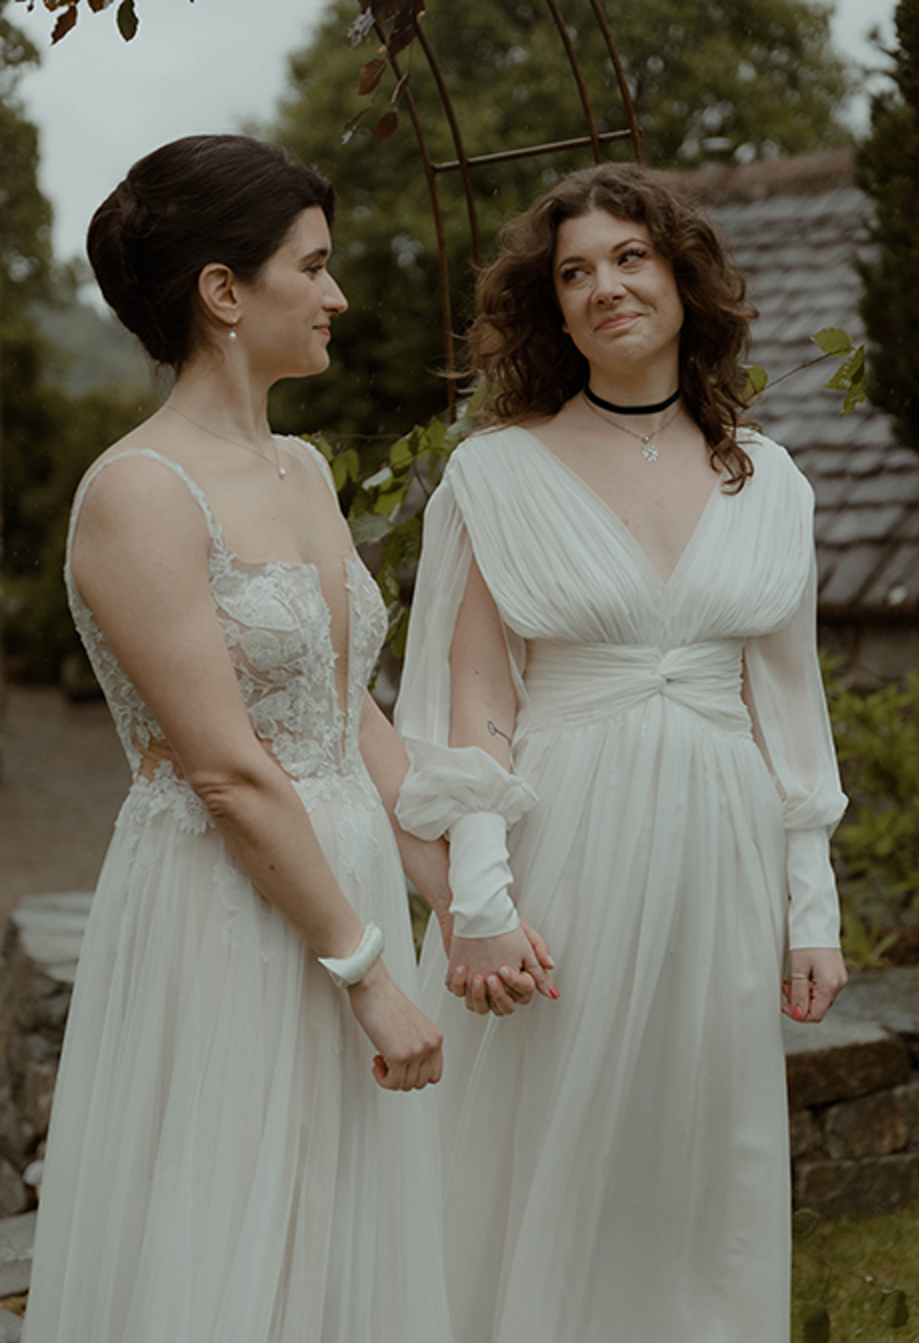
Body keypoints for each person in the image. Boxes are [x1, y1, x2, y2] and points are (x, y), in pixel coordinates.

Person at [22, 133, 471, 1343]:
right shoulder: (138, 492)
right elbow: (224, 768)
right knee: (231, 1242)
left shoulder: (304, 469)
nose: (336, 296)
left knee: (340, 1234)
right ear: (224, 292)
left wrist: (459, 889)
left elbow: (346, 704)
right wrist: (368, 974)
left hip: (350, 878)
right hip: (230, 908)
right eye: (311, 267)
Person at [394, 163, 848, 1343]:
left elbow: (788, 700)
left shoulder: (775, 479)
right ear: (553, 306)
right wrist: (479, 894)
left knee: (696, 1151)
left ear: (683, 276)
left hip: (724, 843)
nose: (605, 287)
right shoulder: (497, 472)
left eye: (629, 258)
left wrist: (812, 908)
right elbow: (472, 690)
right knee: (545, 1135)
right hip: (564, 837)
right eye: (574, 272)